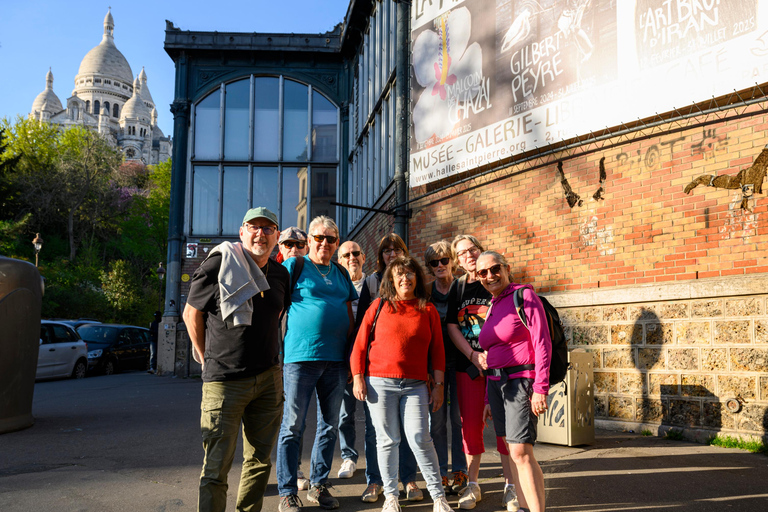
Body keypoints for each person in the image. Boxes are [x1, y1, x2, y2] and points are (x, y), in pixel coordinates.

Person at [183, 206, 291, 512]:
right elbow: (192, 313)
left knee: (259, 461)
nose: (260, 233)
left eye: (268, 228)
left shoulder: (281, 274)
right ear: (242, 232)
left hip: (268, 379)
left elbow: (277, 314)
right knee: (217, 468)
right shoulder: (218, 263)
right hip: (225, 382)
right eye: (253, 227)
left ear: (277, 236)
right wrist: (206, 358)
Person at [350, 256, 453, 512]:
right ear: (391, 280)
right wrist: (357, 377)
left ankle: (438, 498)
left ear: (417, 278)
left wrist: (438, 385)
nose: (404, 278)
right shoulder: (378, 306)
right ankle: (391, 497)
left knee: (420, 438)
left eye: (409, 274)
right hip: (379, 383)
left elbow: (438, 351)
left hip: (416, 385)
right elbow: (359, 345)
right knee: (387, 440)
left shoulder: (427, 309)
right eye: (399, 274)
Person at [276, 216, 358, 512]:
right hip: (300, 358)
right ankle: (287, 491)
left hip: (337, 360)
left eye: (331, 239)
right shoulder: (294, 266)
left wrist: (351, 357)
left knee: (329, 425)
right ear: (309, 240)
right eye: (319, 237)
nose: (325, 243)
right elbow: (275, 307)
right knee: (293, 424)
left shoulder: (340, 272)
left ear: (337, 243)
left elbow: (349, 313)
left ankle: (318, 484)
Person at [446, 234, 516, 510]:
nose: (469, 255)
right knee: (471, 427)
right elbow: (452, 326)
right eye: (462, 253)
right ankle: (473, 484)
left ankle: (511, 486)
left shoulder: (494, 280)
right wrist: (473, 355)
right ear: (459, 261)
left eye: (472, 249)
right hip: (469, 368)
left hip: (501, 366)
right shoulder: (458, 288)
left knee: (504, 427)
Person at [476, 251, 550, 512]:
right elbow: (490, 355)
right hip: (496, 385)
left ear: (506, 268)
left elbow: (542, 343)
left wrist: (540, 388)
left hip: (521, 381)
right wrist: (487, 397)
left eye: (495, 269)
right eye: (482, 273)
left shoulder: (524, 296)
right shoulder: (493, 304)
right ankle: (523, 508)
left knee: (520, 452)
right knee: (511, 452)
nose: (489, 276)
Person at [353, 233, 423, 502]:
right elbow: (362, 328)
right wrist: (358, 371)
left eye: (396, 249)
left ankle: (409, 479)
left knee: (407, 431)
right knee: (376, 430)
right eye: (386, 250)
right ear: (380, 255)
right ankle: (375, 481)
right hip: (377, 371)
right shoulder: (372, 282)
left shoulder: (411, 277)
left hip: (409, 371)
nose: (391, 254)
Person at [424, 241, 467, 493]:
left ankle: (460, 470)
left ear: (452, 261)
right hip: (434, 366)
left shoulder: (462, 287)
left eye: (444, 260)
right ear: (429, 267)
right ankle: (440, 471)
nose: (440, 265)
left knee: (458, 419)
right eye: (434, 262)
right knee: (436, 421)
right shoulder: (426, 292)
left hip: (461, 362)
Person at [276, 226, 311, 492]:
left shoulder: (308, 273)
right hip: (268, 357)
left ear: (307, 247)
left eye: (299, 245)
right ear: (280, 248)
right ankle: (265, 471)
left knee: (294, 419)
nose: (293, 249)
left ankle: (293, 470)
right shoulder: (269, 272)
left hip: (295, 358)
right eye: (288, 245)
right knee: (264, 418)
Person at [336, 241, 366, 482]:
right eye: (346, 255)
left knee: (378, 415)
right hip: (343, 358)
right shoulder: (336, 283)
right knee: (345, 413)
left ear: (363, 257)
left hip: (374, 359)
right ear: (340, 260)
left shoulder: (375, 283)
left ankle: (380, 459)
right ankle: (349, 456)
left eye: (356, 253)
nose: (351, 258)